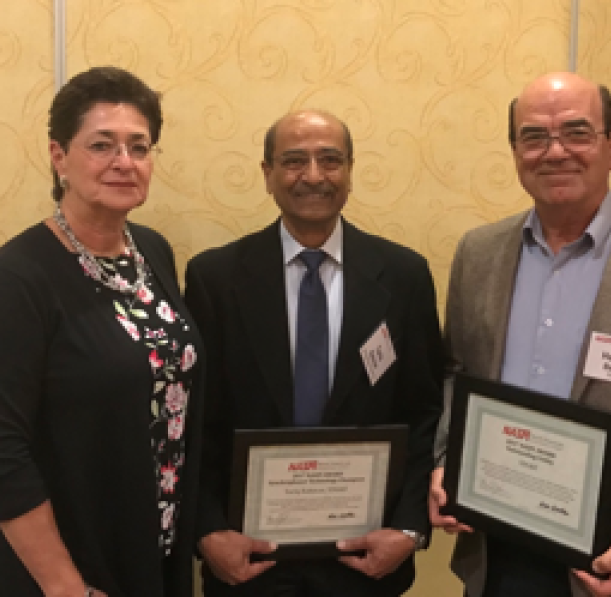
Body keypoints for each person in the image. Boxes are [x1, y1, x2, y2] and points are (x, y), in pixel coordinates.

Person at [427, 71, 611, 597]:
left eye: (577, 132)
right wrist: (449, 459)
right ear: (515, 151)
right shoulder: (477, 254)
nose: (555, 151)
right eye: (534, 136)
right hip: (499, 557)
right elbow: (457, 374)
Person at [0, 66, 200, 597]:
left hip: (147, 541)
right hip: (60, 568)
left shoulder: (153, 251)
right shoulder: (15, 280)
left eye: (140, 147)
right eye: (102, 145)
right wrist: (65, 585)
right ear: (59, 156)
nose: (124, 162)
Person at [184, 110, 445, 597]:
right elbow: (197, 420)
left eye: (330, 160)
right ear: (267, 173)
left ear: (350, 171)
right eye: (293, 161)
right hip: (248, 559)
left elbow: (424, 410)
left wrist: (409, 529)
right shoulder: (214, 279)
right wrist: (206, 530)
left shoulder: (404, 275)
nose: (313, 176)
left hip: (367, 559)